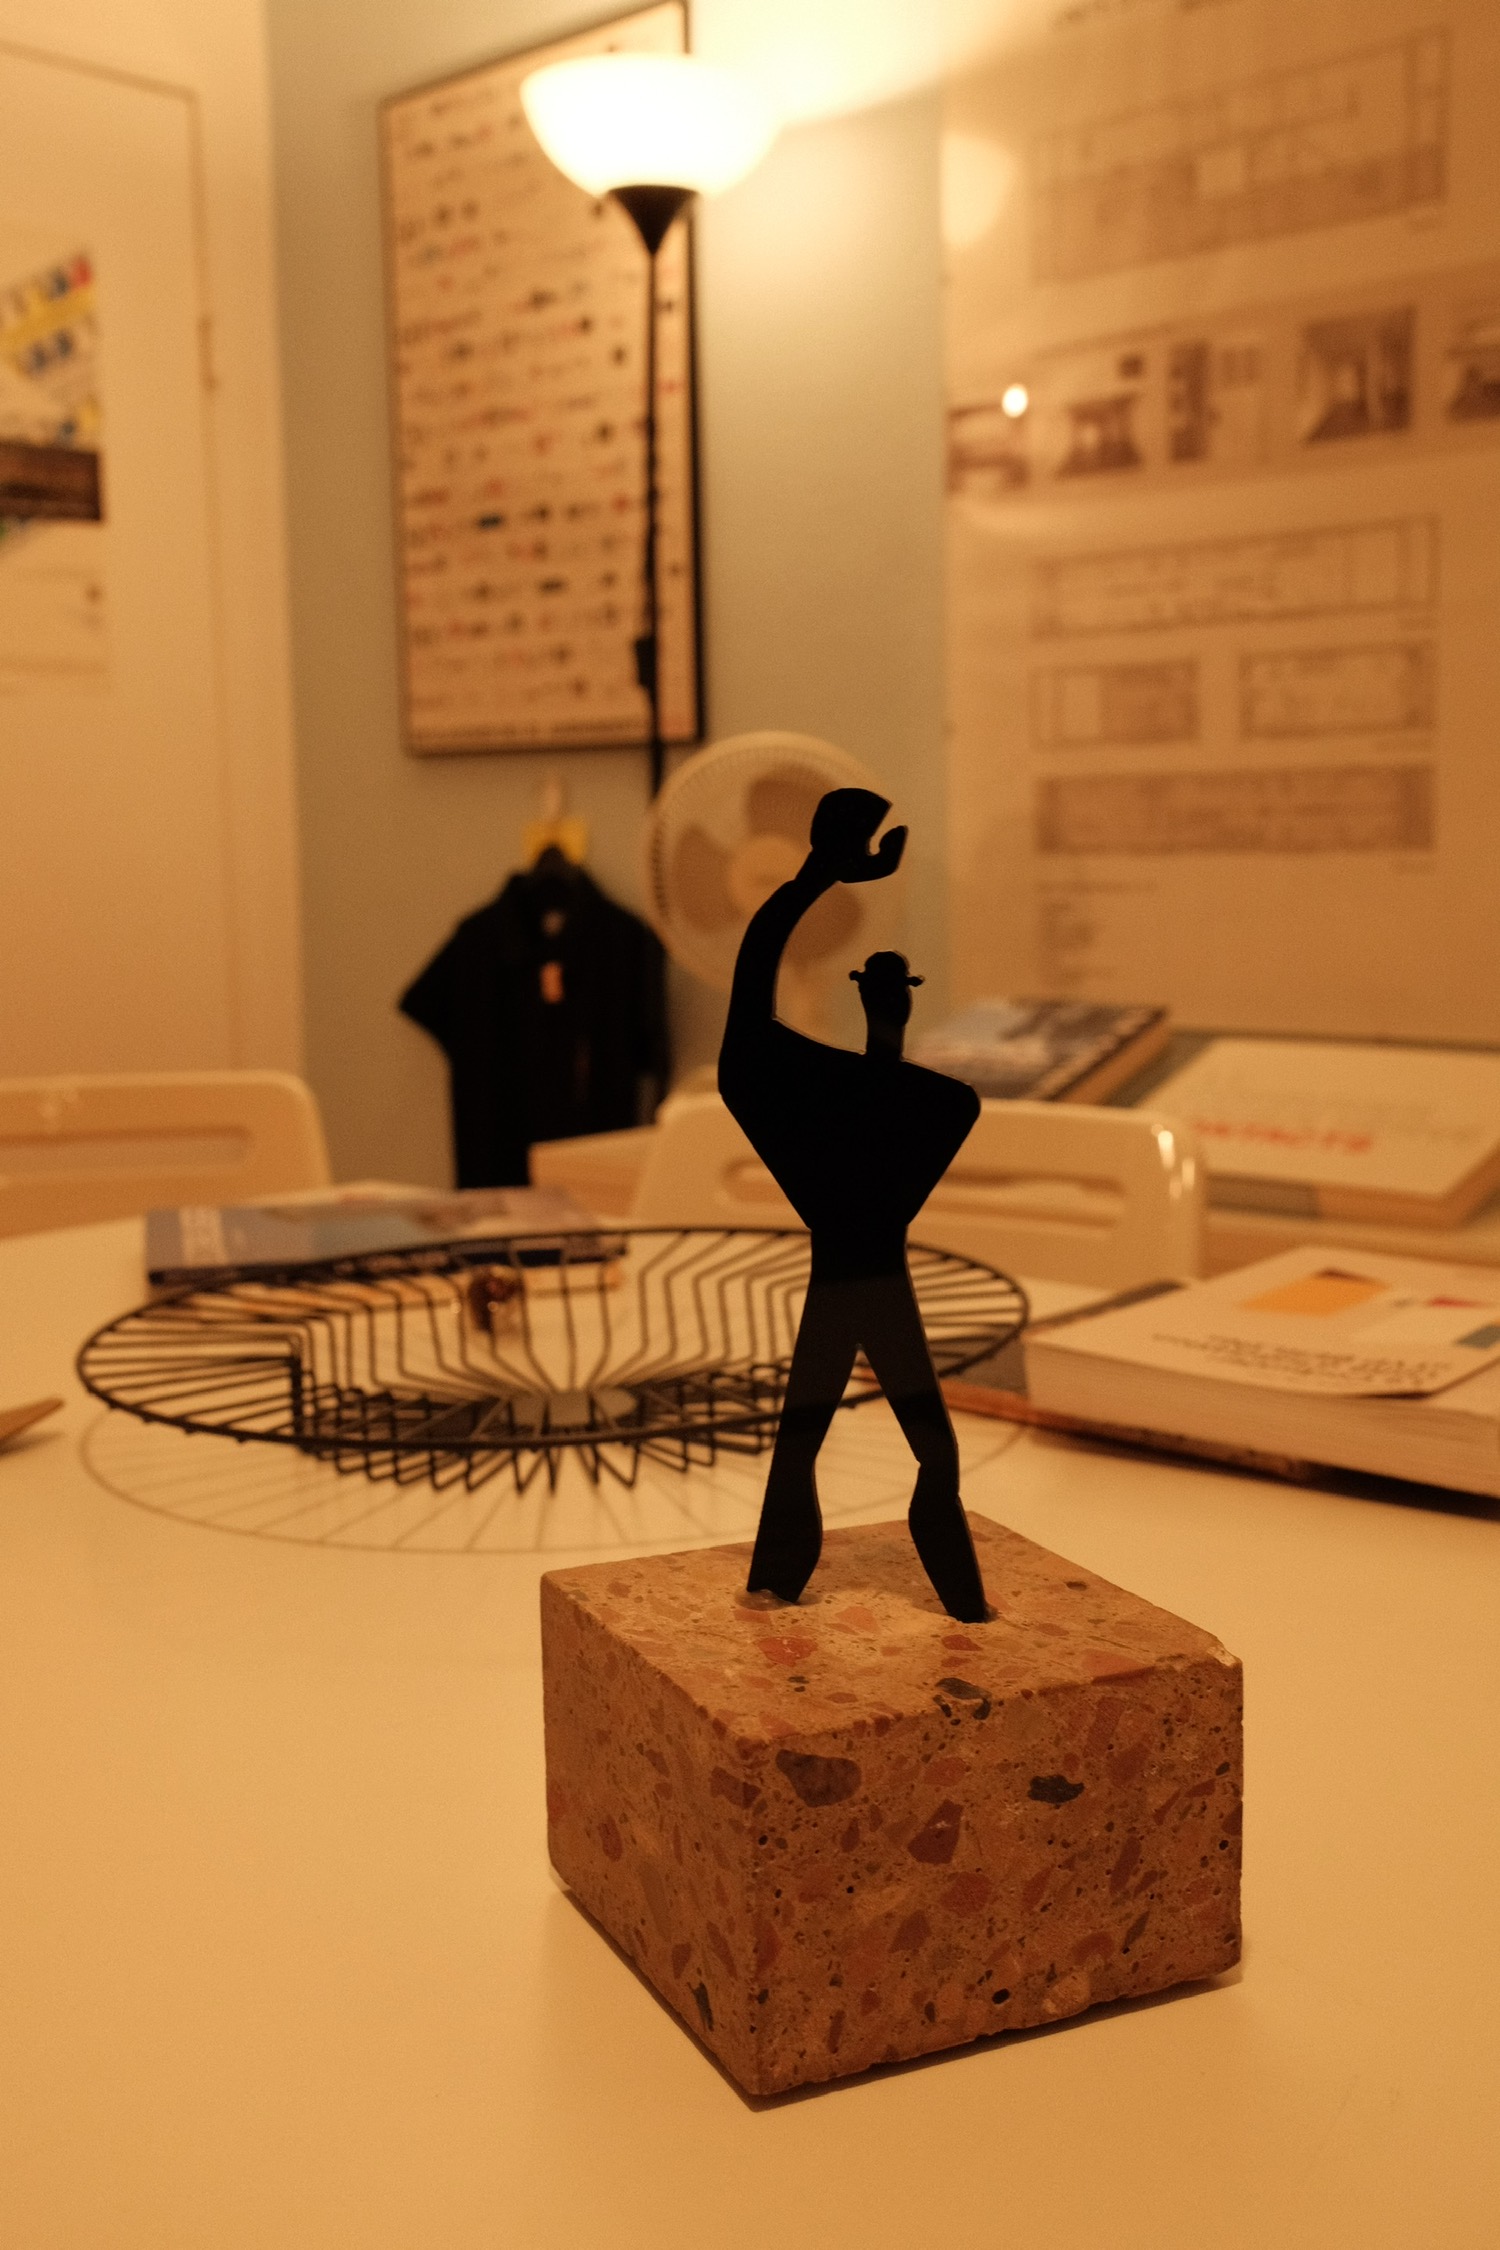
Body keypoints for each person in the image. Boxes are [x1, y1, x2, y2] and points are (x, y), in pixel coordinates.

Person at [718, 787, 990, 1623]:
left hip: (844, 1284)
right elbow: (749, 1012)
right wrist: (816, 875)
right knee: (917, 1448)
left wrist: (814, 878)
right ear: (898, 1002)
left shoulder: (815, 1093)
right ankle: (950, 1596)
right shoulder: (934, 1105)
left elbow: (746, 1011)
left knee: (809, 1442)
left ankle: (800, 1580)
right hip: (870, 1285)